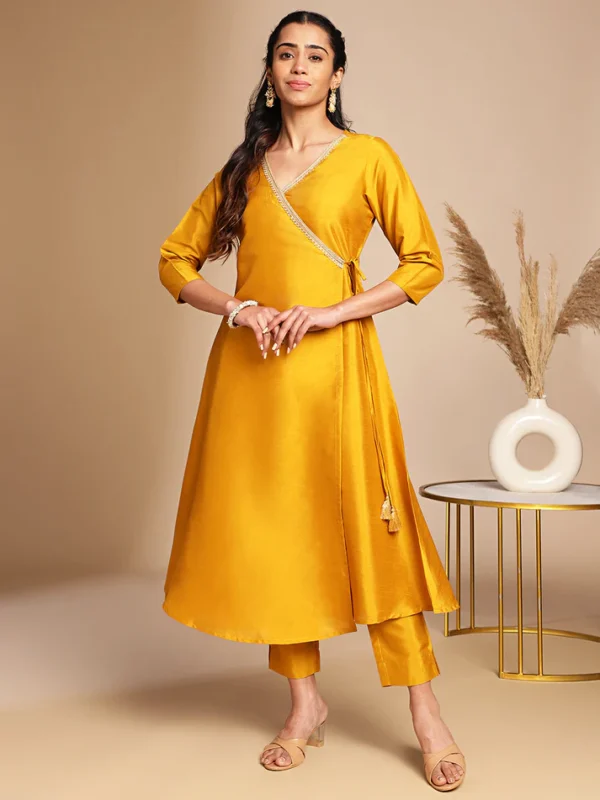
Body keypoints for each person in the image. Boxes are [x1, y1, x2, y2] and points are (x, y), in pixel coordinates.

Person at [158, 10, 466, 792]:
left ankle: (427, 715)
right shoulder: (245, 168)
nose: (300, 65)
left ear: (337, 74)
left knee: (376, 535)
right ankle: (304, 708)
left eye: (316, 55)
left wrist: (333, 312)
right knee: (280, 540)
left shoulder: (368, 157)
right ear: (270, 71)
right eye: (286, 53)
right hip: (254, 380)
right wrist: (237, 307)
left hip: (337, 373)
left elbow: (423, 263)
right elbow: (174, 261)